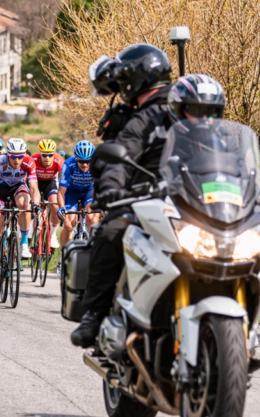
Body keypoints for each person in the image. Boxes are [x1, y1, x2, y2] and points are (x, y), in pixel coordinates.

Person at [71, 43, 175, 347]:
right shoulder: (134, 117)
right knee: (112, 231)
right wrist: (112, 191)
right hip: (140, 198)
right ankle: (96, 313)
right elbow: (116, 156)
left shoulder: (183, 107)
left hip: (186, 198)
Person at [0, 138, 39, 289]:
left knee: (25, 204)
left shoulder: (29, 162)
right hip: (0, 192)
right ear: (7, 154)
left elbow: (34, 188)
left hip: (17, 188)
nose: (17, 160)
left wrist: (36, 203)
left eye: (20, 156)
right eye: (14, 157)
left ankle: (23, 244)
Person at [55, 141, 98, 278]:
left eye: (88, 161)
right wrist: (61, 208)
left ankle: (94, 254)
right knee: (68, 224)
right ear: (75, 158)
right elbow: (61, 191)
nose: (84, 164)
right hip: (71, 194)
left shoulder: (98, 165)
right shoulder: (68, 164)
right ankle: (63, 257)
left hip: (89, 192)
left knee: (92, 217)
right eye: (81, 161)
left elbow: (101, 187)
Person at [32, 139, 66, 250]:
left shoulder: (59, 161)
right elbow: (26, 178)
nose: (47, 158)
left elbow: (62, 183)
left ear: (54, 153)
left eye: (50, 155)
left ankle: (52, 234)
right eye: (44, 155)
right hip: (35, 183)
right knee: (29, 204)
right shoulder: (34, 159)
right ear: (40, 154)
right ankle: (28, 229)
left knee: (55, 204)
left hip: (49, 184)